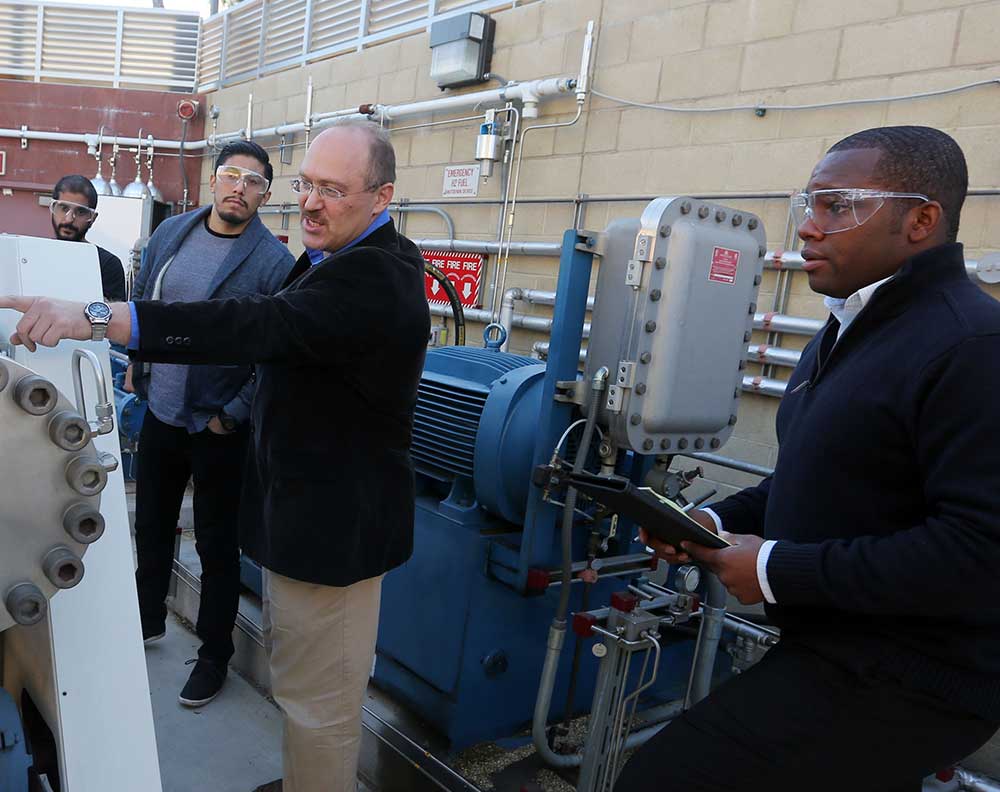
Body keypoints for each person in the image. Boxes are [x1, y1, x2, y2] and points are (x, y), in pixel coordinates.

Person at [0, 119, 430, 792]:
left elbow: (252, 323)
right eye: (308, 185)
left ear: (382, 197)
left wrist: (97, 316)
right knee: (301, 685)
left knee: (320, 706)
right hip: (306, 517)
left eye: (334, 190)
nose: (312, 203)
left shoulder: (372, 280)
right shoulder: (343, 254)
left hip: (334, 535)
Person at [614, 126, 1000, 791]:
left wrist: (772, 569)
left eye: (839, 206)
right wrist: (710, 523)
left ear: (921, 220)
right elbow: (812, 478)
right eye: (808, 206)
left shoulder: (971, 344)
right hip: (836, 646)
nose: (810, 228)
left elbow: (978, 551)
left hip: (917, 675)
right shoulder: (849, 327)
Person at [129, 140, 295, 708]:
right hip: (161, 412)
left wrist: (233, 415)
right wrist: (138, 364)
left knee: (217, 547)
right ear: (213, 179)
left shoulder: (274, 262)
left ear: (265, 196)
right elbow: (142, 301)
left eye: (254, 182)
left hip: (216, 425)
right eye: (231, 175)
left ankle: (213, 656)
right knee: (150, 525)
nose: (240, 188)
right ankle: (147, 618)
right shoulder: (171, 235)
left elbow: (275, 353)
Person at [50, 174, 126, 302]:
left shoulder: (107, 265)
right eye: (63, 208)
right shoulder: (33, 255)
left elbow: (114, 318)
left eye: (80, 212)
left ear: (92, 218)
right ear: (52, 208)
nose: (69, 219)